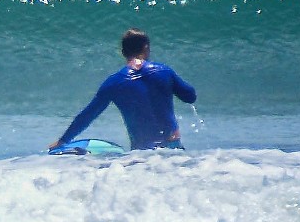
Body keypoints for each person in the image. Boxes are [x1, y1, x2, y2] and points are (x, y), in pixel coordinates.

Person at [51, 29, 196, 152]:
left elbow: (88, 115)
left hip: (142, 154)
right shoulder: (164, 71)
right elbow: (190, 96)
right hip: (173, 150)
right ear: (146, 48)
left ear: (123, 52)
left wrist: (62, 141)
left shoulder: (114, 83)